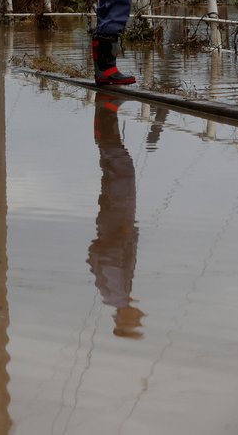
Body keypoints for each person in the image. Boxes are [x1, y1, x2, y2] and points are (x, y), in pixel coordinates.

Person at [87, 93, 144, 339]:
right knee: (120, 171)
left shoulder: (115, 293)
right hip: (116, 222)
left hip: (115, 221)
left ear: (123, 319)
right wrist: (122, 236)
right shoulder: (115, 294)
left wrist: (121, 236)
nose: (140, 316)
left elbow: (100, 257)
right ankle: (106, 117)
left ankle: (106, 116)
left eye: (136, 321)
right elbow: (100, 257)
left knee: (119, 171)